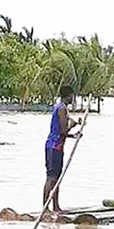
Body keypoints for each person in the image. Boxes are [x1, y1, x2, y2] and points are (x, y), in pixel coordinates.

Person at [43, 85, 81, 216]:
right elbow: (63, 130)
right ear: (69, 95)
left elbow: (62, 132)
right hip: (54, 146)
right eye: (72, 96)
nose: (73, 98)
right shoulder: (62, 109)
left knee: (57, 177)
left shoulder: (59, 107)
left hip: (55, 145)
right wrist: (72, 125)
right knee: (51, 177)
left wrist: (74, 135)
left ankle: (56, 206)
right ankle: (45, 207)